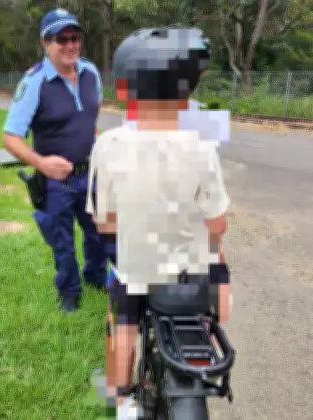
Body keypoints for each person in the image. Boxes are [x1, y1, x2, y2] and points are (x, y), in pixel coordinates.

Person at [86, 26, 232, 418]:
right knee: (214, 269)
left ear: (128, 87)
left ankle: (120, 399)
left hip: (137, 268)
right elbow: (218, 223)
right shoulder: (203, 147)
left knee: (121, 324)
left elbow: (105, 222)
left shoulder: (109, 145)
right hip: (190, 273)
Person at [2, 8, 107, 313]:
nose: (70, 45)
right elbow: (10, 138)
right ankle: (70, 292)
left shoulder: (91, 72)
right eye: (61, 39)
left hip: (91, 174)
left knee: (98, 232)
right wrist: (42, 164)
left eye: (74, 37)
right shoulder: (34, 82)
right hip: (56, 181)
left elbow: (93, 113)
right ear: (45, 43)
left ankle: (95, 277)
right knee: (61, 242)